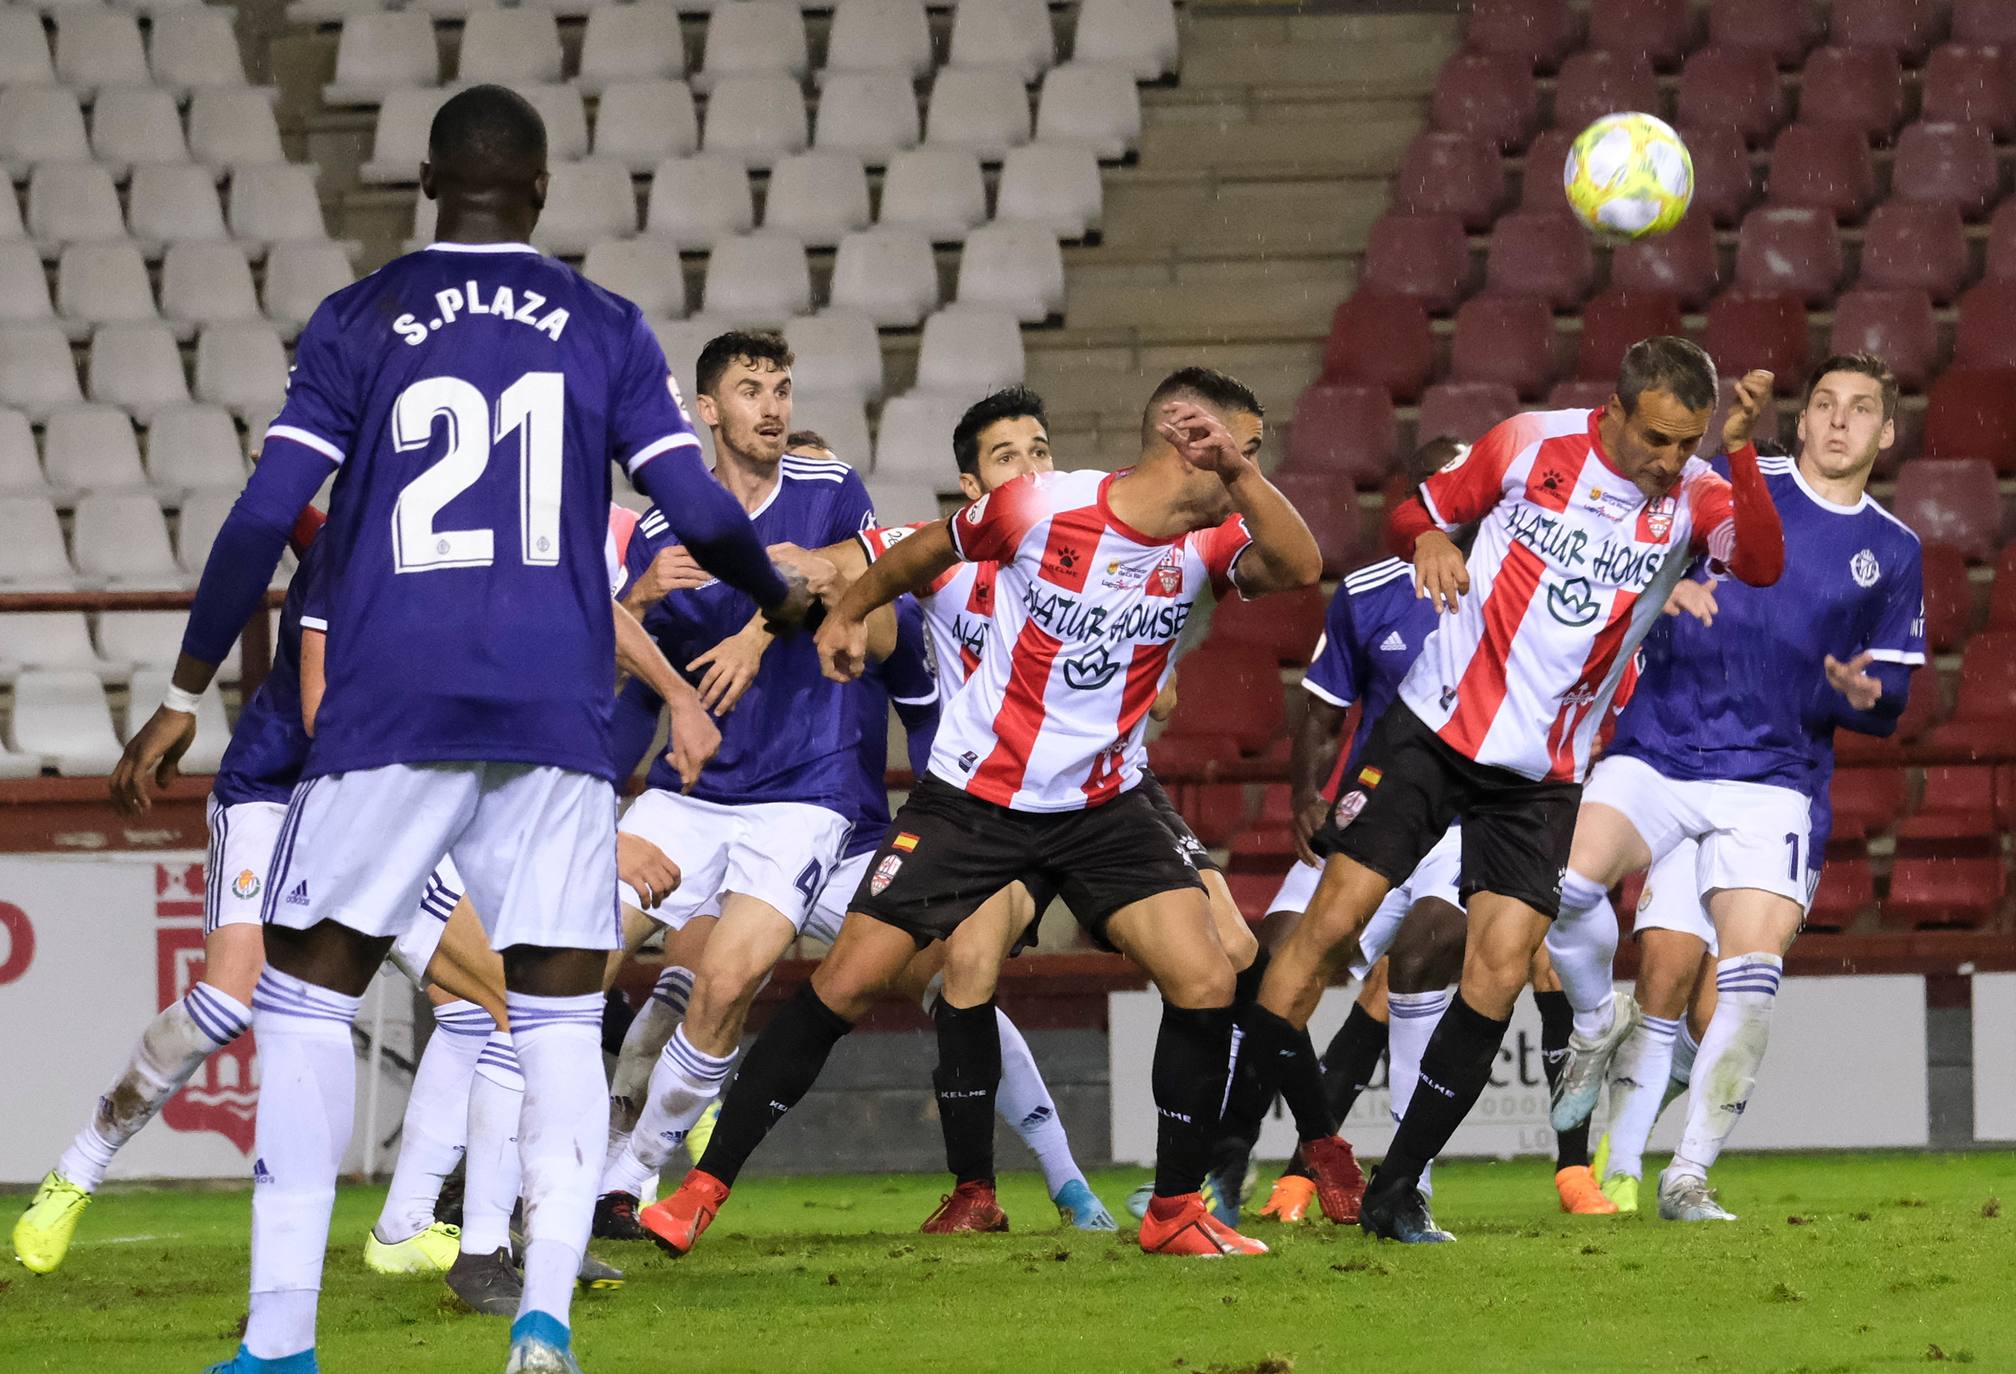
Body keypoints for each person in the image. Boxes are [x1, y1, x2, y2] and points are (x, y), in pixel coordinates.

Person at [107, 86, 811, 1374]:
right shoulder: (602, 325)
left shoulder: (359, 319)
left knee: (307, 1003)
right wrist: (776, 598)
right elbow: (700, 507)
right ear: (540, 190)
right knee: (547, 1022)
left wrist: (184, 684)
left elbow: (263, 518)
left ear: (430, 180)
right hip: (555, 716)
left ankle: (280, 1344)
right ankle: (542, 1324)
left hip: (391, 706)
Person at [640, 368, 1323, 1260]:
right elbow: (923, 551)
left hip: (1103, 803)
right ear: (1184, 440)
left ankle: (1172, 1209)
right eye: (1241, 448)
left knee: (1204, 980)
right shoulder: (1041, 507)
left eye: (1254, 456)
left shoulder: (1208, 543)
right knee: (846, 983)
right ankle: (699, 1190)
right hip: (978, 798)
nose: (1248, 469)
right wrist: (850, 607)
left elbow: (1302, 568)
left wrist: (1242, 475)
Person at [1223, 337, 1785, 1244]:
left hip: (1542, 775)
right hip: (1433, 731)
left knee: (1496, 972)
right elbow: (1414, 512)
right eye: (1658, 439)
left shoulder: (1697, 493)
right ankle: (1229, 1162)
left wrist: (1744, 449)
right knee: (1327, 930)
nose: (1670, 460)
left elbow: (1759, 563)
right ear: (1615, 409)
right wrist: (1437, 539)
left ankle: (1396, 1191)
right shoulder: (1528, 442)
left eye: (1689, 442)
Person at [1555, 355, 1922, 1221]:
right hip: (1662, 750)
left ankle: (1682, 1176)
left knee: (1741, 984)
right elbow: (1619, 554)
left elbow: (1892, 698)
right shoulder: (1720, 481)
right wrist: (1669, 584)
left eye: (1861, 409)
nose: (1839, 421)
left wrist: (1862, 695)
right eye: (1825, 403)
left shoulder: (1893, 549)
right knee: (1565, 890)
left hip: (1771, 782)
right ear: (1800, 423)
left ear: (1887, 432)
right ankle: (1588, 1024)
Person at [585, 332, 886, 1237]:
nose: (773, 406)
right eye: (751, 389)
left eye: (782, 388)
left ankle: (625, 1179)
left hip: (804, 790)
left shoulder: (829, 486)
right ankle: (513, 1175)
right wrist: (635, 602)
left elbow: (860, 578)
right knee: (574, 958)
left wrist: (760, 630)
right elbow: (609, 675)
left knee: (724, 983)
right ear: (708, 411)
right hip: (689, 793)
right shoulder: (658, 530)